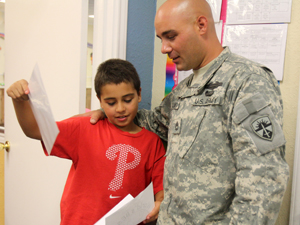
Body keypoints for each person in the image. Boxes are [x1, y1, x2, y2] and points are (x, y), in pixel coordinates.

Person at [86, 0, 290, 224]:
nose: (164, 48)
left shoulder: (246, 82)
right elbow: (151, 121)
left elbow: (264, 181)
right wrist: (109, 110)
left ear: (201, 25)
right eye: (161, 39)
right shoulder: (184, 90)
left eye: (170, 36)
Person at [6, 59, 166, 225]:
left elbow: (160, 194)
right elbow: (35, 130)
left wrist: (158, 206)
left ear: (139, 94)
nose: (120, 109)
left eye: (127, 100)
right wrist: (19, 102)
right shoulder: (85, 128)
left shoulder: (152, 143)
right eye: (111, 103)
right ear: (100, 100)